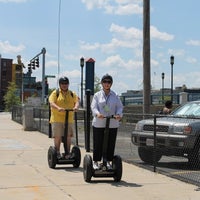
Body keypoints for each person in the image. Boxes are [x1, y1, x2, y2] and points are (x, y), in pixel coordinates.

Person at [90, 74, 123, 170]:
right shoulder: (97, 95)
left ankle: (108, 161)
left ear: (111, 84)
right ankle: (95, 161)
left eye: (109, 82)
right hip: (99, 123)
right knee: (98, 143)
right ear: (102, 83)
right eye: (105, 82)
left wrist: (118, 115)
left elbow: (120, 107)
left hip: (112, 123)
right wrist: (97, 114)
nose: (107, 84)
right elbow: (93, 107)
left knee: (110, 143)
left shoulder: (115, 95)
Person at [49, 76, 79, 159]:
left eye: (66, 83)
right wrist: (58, 108)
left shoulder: (72, 93)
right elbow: (51, 103)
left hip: (68, 118)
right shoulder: (55, 93)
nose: (64, 85)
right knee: (58, 136)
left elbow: (76, 101)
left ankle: (67, 153)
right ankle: (57, 152)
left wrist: (76, 107)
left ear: (68, 84)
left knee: (68, 136)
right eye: (62, 83)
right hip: (57, 119)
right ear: (60, 84)